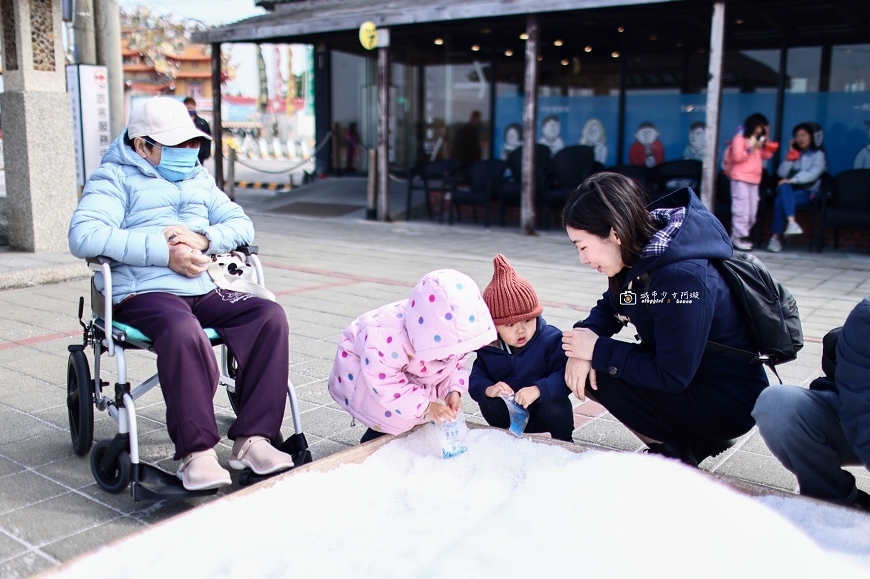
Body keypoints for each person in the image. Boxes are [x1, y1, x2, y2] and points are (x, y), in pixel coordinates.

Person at [68, 96, 294, 491]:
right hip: (144, 293)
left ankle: (253, 439)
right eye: (177, 146)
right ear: (143, 146)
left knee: (267, 315)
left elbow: (242, 224)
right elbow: (84, 235)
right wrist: (164, 253)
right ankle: (197, 452)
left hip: (203, 286)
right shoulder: (113, 179)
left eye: (192, 143)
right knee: (182, 329)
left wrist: (204, 238)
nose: (190, 152)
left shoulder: (197, 178)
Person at [560, 172, 769, 467]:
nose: (582, 258)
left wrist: (595, 350)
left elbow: (671, 374)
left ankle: (676, 450)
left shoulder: (681, 279)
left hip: (728, 400)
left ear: (614, 234)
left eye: (582, 246)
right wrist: (583, 342)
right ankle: (691, 441)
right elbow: (613, 307)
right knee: (585, 360)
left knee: (603, 369)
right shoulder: (639, 259)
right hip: (696, 381)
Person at [328, 269, 496, 443]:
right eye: (447, 352)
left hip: (408, 367)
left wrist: (452, 390)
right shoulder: (387, 337)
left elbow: (454, 365)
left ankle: (408, 419)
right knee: (399, 416)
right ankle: (375, 443)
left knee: (416, 409)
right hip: (363, 372)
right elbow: (384, 382)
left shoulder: (455, 336)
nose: (453, 355)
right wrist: (427, 406)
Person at [753, 298, 870, 511]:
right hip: (857, 421)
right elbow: (864, 414)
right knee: (779, 405)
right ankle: (838, 502)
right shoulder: (867, 317)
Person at [469, 255, 573, 442]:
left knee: (556, 404)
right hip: (509, 414)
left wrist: (538, 389)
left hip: (542, 411)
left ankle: (565, 441)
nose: (521, 330)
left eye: (527, 320)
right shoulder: (489, 349)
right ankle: (503, 439)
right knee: (489, 401)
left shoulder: (550, 339)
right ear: (495, 327)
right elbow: (475, 381)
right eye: (509, 325)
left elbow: (565, 375)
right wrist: (489, 389)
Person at [766, 123, 827, 253]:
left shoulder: (818, 155)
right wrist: (790, 155)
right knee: (783, 188)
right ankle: (791, 222)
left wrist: (793, 180)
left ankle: (775, 238)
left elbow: (813, 174)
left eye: (804, 135)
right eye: (797, 136)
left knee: (780, 200)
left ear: (811, 137)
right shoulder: (794, 154)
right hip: (789, 191)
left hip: (807, 192)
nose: (800, 139)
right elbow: (781, 173)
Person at [726, 113, 774, 251]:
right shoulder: (740, 138)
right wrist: (751, 149)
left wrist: (767, 137)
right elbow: (737, 157)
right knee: (741, 210)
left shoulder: (757, 139)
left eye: (763, 128)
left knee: (752, 213)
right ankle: (738, 237)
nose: (761, 130)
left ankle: (736, 236)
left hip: (754, 180)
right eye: (760, 127)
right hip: (740, 178)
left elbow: (768, 155)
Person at [183, 97, 212, 164]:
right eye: (187, 108)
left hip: (198, 155)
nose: (189, 110)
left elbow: (207, 138)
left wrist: (205, 154)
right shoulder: (181, 122)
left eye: (191, 108)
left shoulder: (202, 123)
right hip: (184, 154)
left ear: (194, 107)